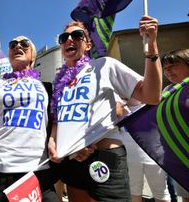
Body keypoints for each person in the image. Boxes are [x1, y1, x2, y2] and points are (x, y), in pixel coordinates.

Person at [48, 15, 162, 202]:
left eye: (77, 35)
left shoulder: (104, 66)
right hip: (72, 161)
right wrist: (54, 140)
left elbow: (151, 95)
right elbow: (58, 120)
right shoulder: (60, 82)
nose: (69, 40)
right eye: (64, 38)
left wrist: (151, 47)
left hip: (104, 157)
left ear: (88, 44)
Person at [0, 36, 59, 202]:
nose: (18, 46)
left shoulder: (47, 87)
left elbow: (57, 122)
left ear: (33, 56)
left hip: (36, 172)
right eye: (13, 44)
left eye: (24, 44)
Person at [120, 98, 171, 202]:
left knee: (161, 194)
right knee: (134, 193)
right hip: (129, 158)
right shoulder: (118, 108)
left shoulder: (154, 105)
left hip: (154, 157)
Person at [162, 48, 189, 202]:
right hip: (180, 155)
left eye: (173, 66)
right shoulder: (167, 91)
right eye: (165, 68)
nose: (168, 71)